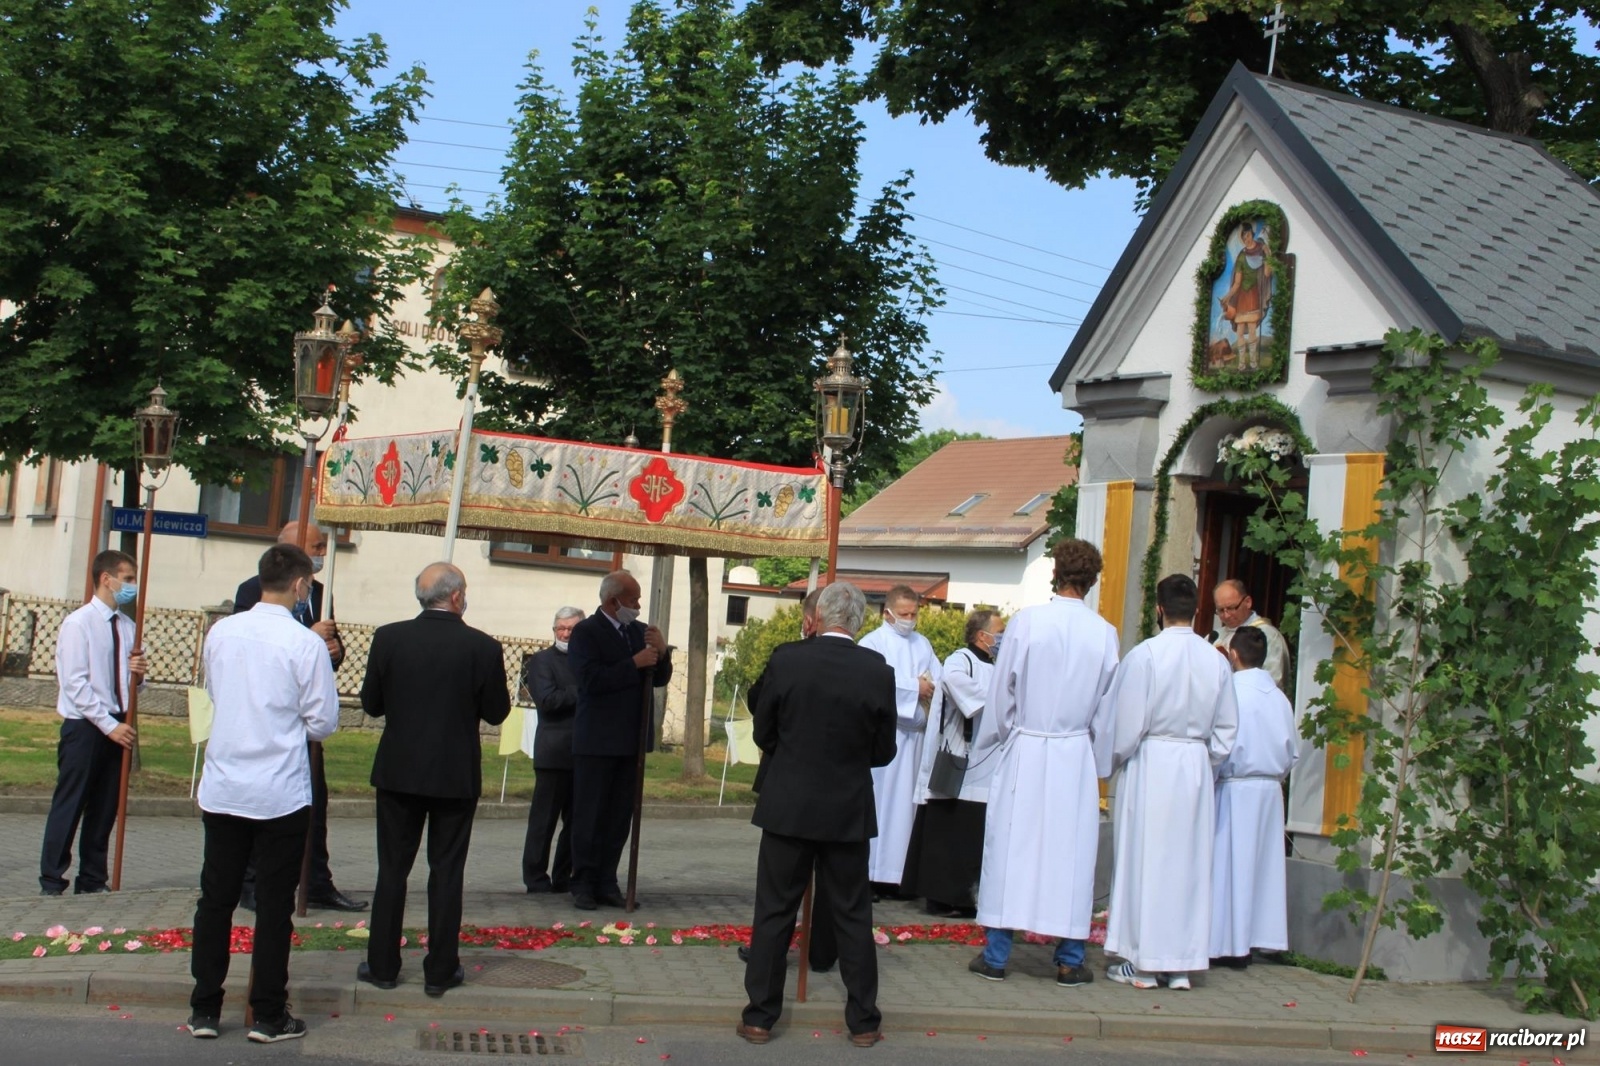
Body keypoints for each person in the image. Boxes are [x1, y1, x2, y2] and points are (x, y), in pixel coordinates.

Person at [186, 544, 339, 1042]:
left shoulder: (222, 631)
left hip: (226, 783)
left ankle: (205, 1008)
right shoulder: (304, 643)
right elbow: (323, 720)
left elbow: (215, 692)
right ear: (299, 586)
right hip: (278, 790)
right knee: (274, 906)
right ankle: (269, 1012)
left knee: (216, 898)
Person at [738, 581, 897, 1048]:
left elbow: (764, 730)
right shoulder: (877, 669)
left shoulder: (788, 658)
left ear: (819, 617)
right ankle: (864, 1021)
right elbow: (884, 749)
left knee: (774, 910)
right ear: (858, 622)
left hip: (789, 803)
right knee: (852, 913)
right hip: (847, 807)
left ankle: (760, 1017)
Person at [968, 541, 1120, 986]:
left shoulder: (1027, 623)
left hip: (1029, 746)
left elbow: (1002, 691)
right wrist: (1099, 758)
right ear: (1092, 581)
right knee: (1069, 853)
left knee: (1013, 846)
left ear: (1055, 574)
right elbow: (1108, 708)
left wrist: (997, 736)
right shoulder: (1103, 632)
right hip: (1074, 752)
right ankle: (1070, 959)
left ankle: (996, 956)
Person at [357, 563, 510, 998]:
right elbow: (497, 712)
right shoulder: (482, 647)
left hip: (399, 770)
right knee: (446, 872)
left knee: (392, 870)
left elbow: (371, 703)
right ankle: (440, 969)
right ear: (457, 597)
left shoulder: (389, 637)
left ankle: (383, 964)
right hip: (453, 773)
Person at [1103, 574, 1238, 992]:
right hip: (1194, 765)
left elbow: (1126, 727)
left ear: (1159, 609)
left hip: (1152, 760)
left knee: (1146, 860)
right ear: (1197, 609)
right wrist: (1203, 760)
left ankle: (1143, 963)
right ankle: (1180, 965)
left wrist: (1114, 760)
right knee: (1187, 864)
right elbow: (1227, 729)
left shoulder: (1145, 656)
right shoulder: (1214, 659)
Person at [232, 521, 362, 913]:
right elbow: (263, 651)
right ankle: (252, 882)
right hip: (267, 721)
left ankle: (317, 881)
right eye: (316, 545)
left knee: (314, 805)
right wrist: (308, 631)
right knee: (261, 809)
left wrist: (333, 651)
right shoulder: (253, 593)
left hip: (306, 721)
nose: (324, 552)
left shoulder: (320, 592)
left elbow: (322, 656)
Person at [738, 588, 839, 974]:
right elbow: (758, 701)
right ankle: (801, 950)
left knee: (786, 886)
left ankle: (816, 948)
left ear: (812, 619)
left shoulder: (789, 658)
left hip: (794, 784)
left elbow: (764, 722)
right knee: (801, 882)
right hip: (830, 789)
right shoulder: (791, 656)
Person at [39, 550, 147, 897]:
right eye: (127, 578)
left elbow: (131, 681)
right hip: (86, 724)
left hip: (118, 721)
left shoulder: (128, 627)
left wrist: (140, 677)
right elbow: (75, 683)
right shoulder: (79, 623)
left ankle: (92, 878)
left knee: (104, 807)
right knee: (72, 801)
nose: (132, 586)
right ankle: (52, 878)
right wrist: (107, 724)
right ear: (106, 578)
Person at [566, 569, 672, 910]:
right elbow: (589, 679)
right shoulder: (586, 632)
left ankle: (607, 880)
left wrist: (662, 652)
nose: (638, 606)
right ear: (614, 602)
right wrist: (633, 663)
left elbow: (657, 677)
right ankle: (582, 881)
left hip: (631, 739)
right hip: (597, 740)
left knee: (618, 816)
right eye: (633, 600)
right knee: (589, 814)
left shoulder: (640, 633)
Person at [904, 608, 1005, 919]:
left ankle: (969, 896)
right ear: (981, 635)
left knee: (974, 830)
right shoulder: (960, 660)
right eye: (998, 633)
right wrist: (1002, 696)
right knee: (949, 829)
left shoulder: (999, 665)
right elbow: (964, 692)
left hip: (990, 758)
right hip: (960, 752)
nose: (1002, 639)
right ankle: (941, 896)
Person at [1210, 626, 1298, 968]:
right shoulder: (1279, 698)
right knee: (1260, 867)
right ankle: (1255, 937)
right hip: (1269, 790)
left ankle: (1226, 942)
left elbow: (1221, 743)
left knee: (1230, 865)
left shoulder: (1230, 691)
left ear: (1233, 656)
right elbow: (1292, 752)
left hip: (1235, 787)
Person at [856, 585, 941, 897]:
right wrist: (913, 688)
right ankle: (870, 874)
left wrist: (928, 688)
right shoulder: (872, 643)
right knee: (881, 804)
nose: (909, 619)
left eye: (914, 614)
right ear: (887, 613)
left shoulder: (923, 644)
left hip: (914, 739)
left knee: (906, 808)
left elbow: (937, 680)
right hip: (885, 739)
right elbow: (871, 683)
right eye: (903, 614)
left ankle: (900, 876)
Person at [522, 606, 584, 894]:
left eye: (572, 629)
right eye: (561, 628)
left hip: (583, 752)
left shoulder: (586, 661)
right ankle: (535, 877)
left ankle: (563, 876)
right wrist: (583, 689)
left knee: (575, 823)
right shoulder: (542, 661)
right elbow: (547, 700)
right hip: (553, 751)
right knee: (543, 821)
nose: (565, 633)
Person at [1211, 579, 1290, 692]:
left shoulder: (1268, 636)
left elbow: (1273, 682)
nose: (1226, 615)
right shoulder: (1215, 636)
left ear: (1247, 602)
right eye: (1220, 610)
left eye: (1231, 608)